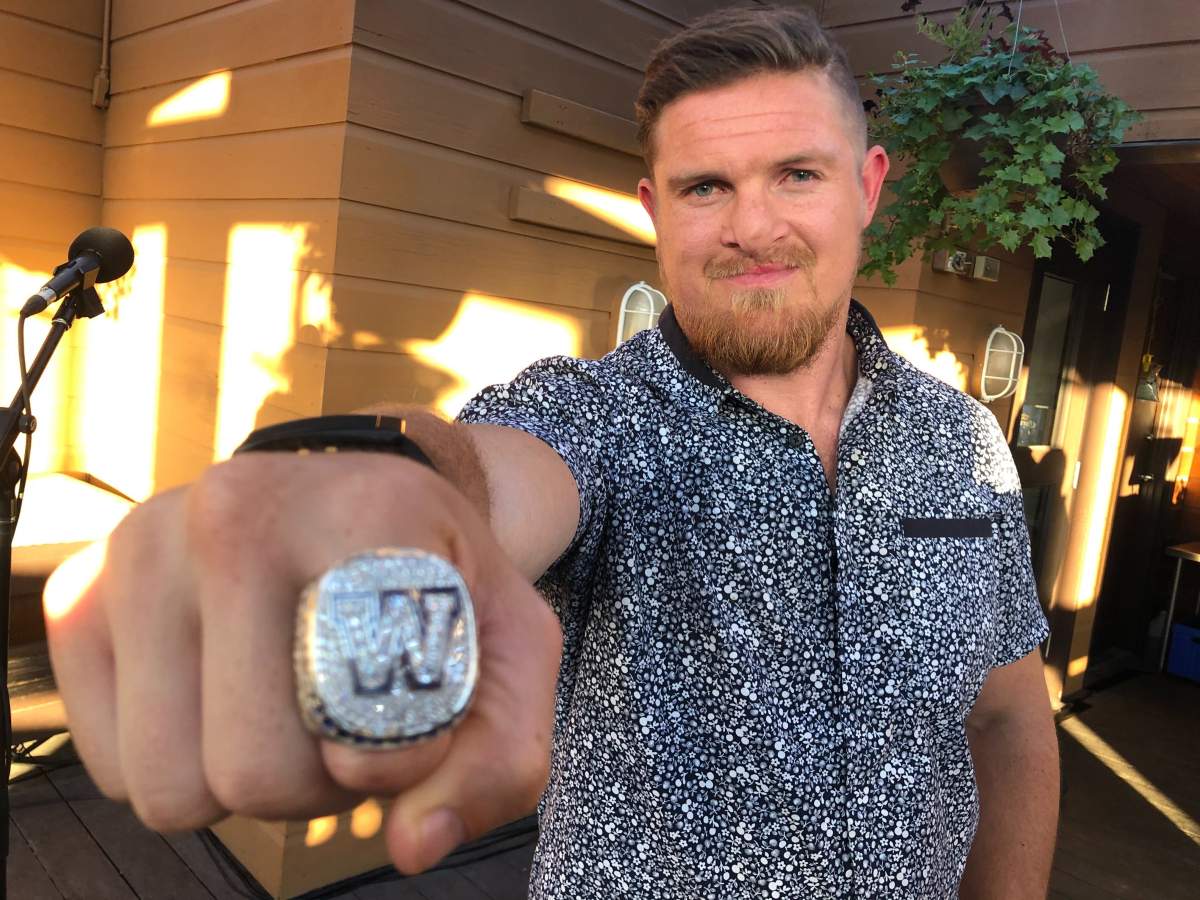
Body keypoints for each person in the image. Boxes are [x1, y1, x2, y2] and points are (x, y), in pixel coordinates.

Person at [44, 6, 1059, 899]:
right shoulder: (601, 417)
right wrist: (390, 499)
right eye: (706, 187)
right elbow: (494, 472)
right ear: (655, 211)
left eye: (798, 174)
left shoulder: (962, 440)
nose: (753, 227)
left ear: (868, 187)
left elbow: (1010, 717)